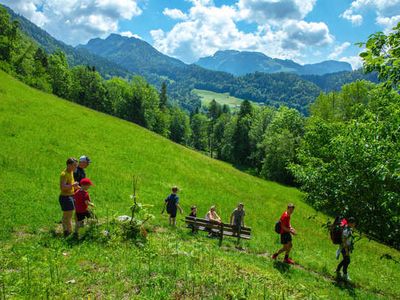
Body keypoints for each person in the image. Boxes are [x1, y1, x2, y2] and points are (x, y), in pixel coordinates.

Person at [59, 157, 79, 237]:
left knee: (68, 216)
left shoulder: (71, 172)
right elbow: (63, 187)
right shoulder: (64, 174)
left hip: (70, 196)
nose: (76, 167)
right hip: (65, 197)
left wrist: (80, 188)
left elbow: (72, 185)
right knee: (67, 216)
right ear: (69, 165)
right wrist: (72, 185)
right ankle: (68, 232)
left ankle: (67, 231)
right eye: (74, 165)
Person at [336, 217, 356, 281]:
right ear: (350, 223)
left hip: (346, 247)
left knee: (345, 260)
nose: (354, 225)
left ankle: (338, 270)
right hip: (344, 247)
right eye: (353, 223)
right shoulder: (346, 230)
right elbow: (344, 240)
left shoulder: (349, 229)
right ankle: (345, 275)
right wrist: (346, 250)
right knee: (347, 261)